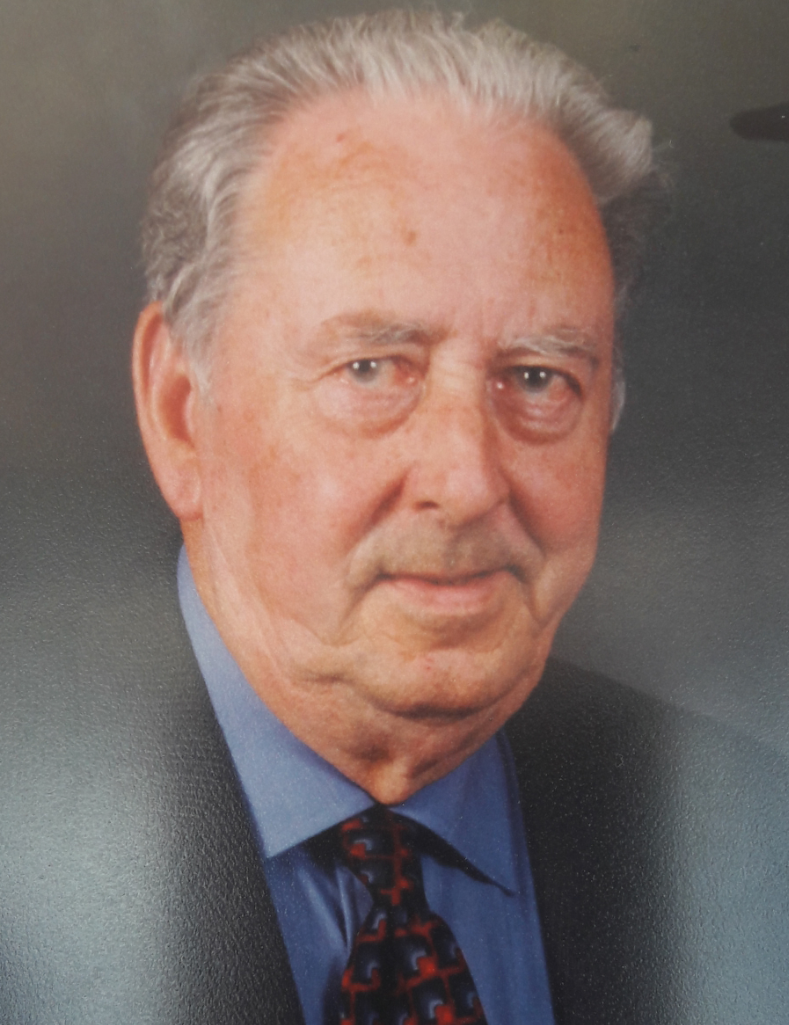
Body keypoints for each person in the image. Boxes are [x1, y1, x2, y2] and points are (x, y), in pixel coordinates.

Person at [1, 10, 786, 1025]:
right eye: (371, 368)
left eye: (538, 377)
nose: (466, 480)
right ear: (182, 411)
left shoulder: (752, 835)